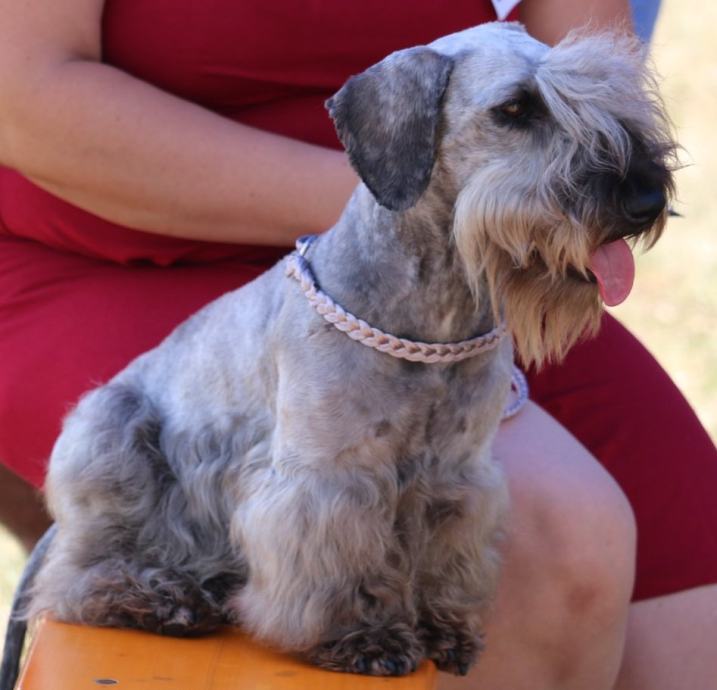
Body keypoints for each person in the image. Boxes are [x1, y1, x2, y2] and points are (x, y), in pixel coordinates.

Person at [0, 0, 714, 688]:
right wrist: (398, 207)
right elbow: (27, 96)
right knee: (553, 541)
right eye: (516, 112)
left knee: (694, 601)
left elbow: (597, 61)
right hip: (116, 260)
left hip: (479, 268)